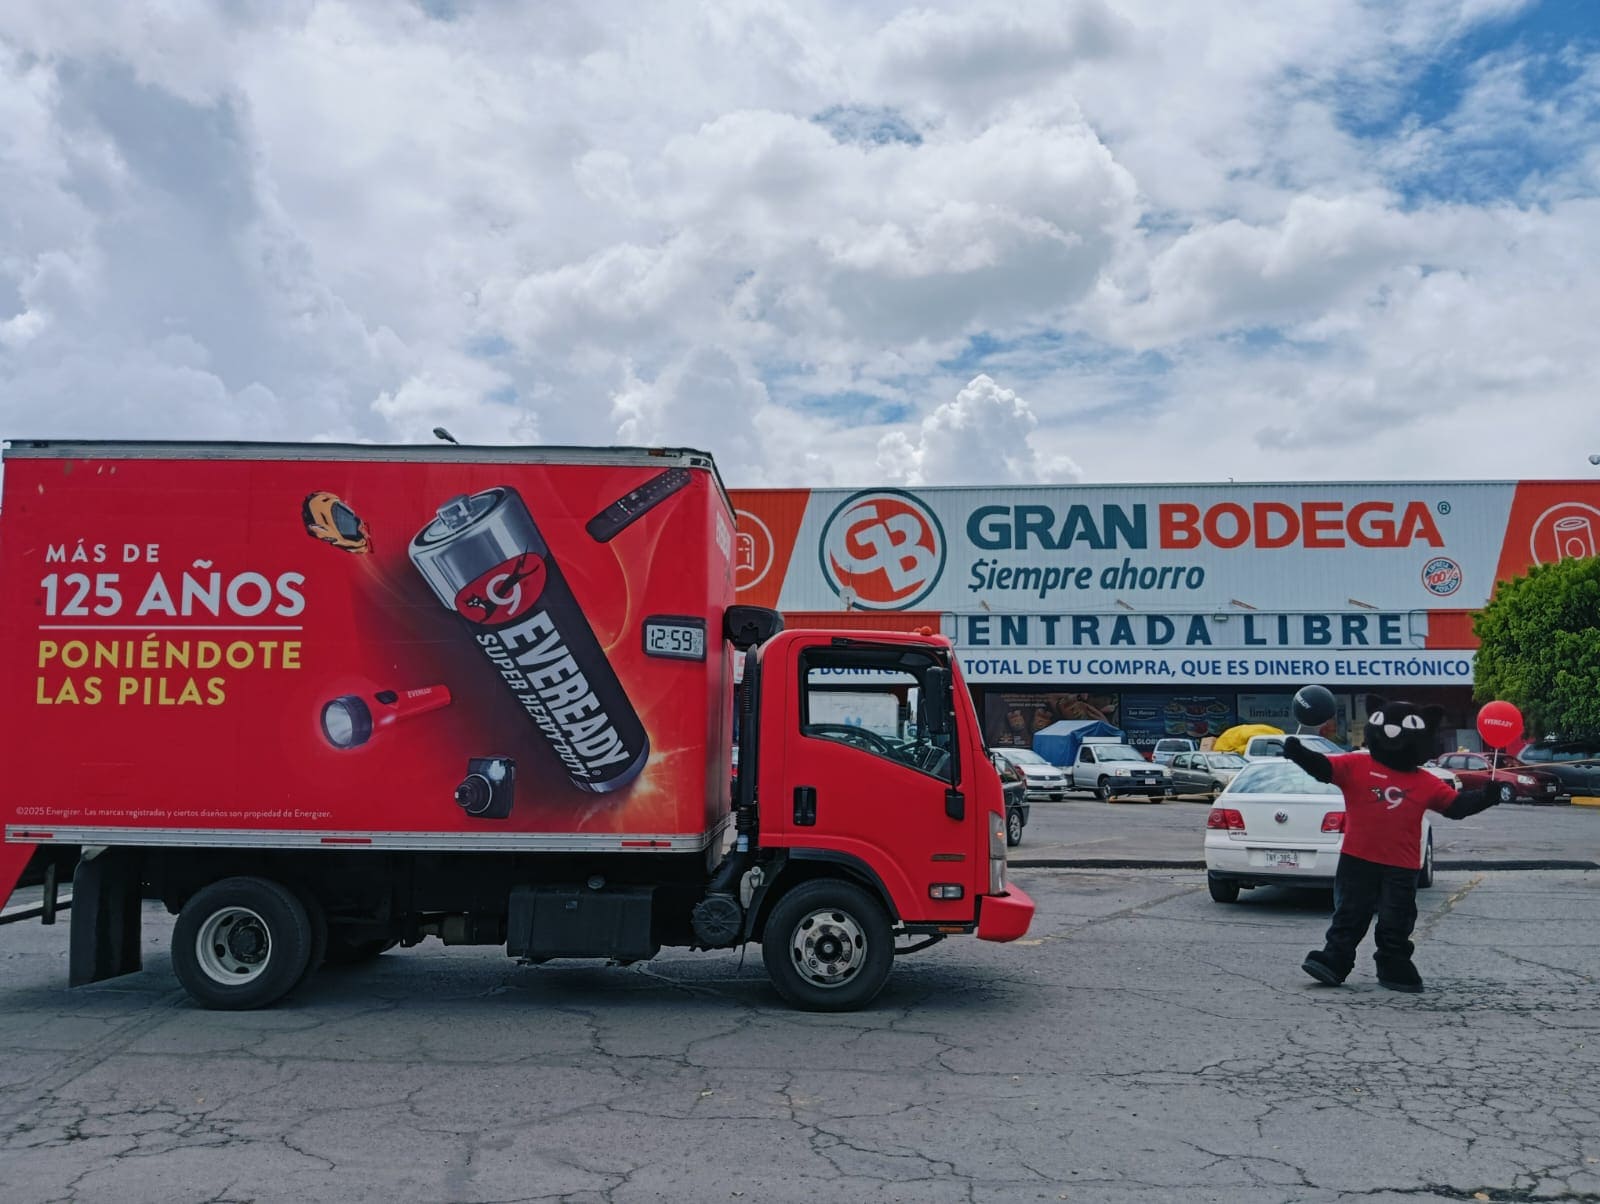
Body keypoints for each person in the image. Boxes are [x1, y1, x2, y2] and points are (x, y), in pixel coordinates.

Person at [1283, 695, 1499, 993]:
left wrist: (1486, 797)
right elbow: (1322, 767)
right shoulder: (1356, 765)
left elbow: (1456, 807)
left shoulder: (1426, 781)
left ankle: (1393, 963)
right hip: (1358, 858)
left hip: (1401, 865)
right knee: (1350, 913)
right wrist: (1298, 752)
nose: (1393, 732)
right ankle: (1335, 959)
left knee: (1397, 919)